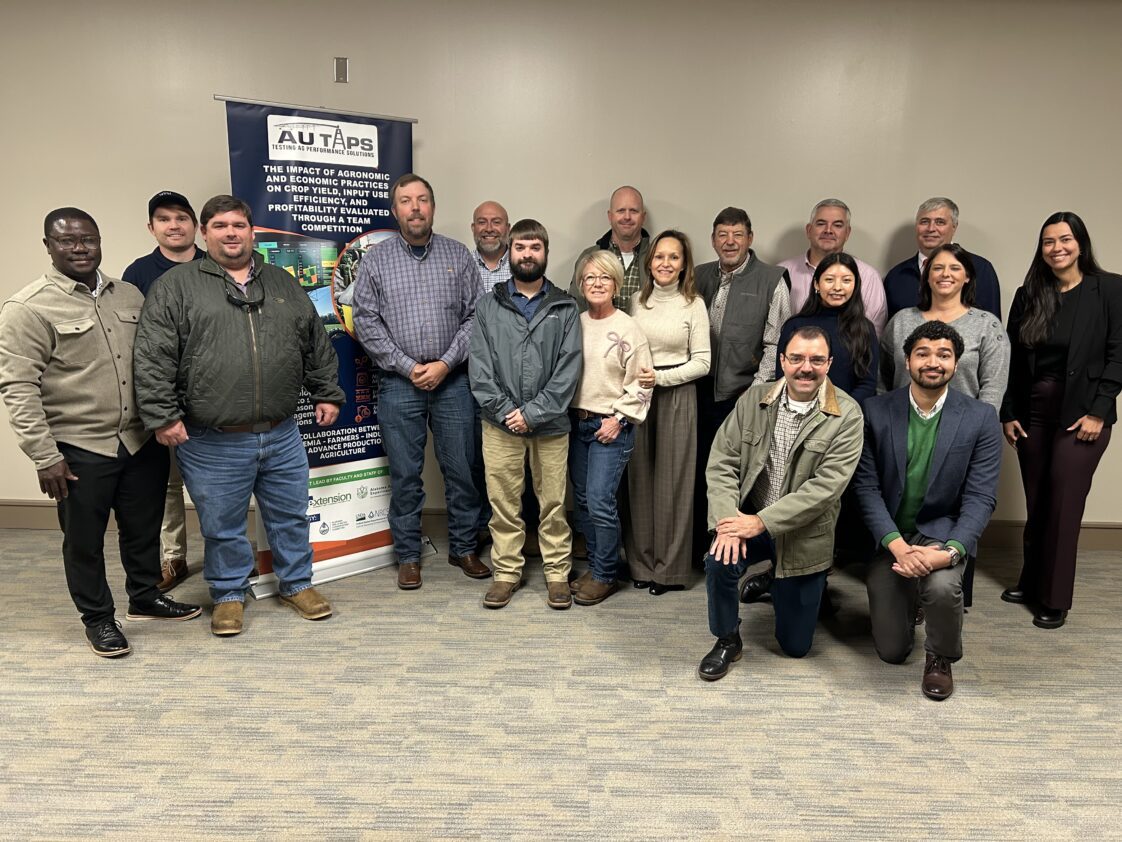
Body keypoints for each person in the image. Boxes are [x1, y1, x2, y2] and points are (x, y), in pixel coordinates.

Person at [133, 195, 343, 637]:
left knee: (290, 516)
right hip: (212, 438)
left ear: (252, 232)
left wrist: (327, 392)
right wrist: (162, 415)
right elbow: (153, 356)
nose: (231, 233)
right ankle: (228, 593)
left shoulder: (283, 282)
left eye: (238, 225)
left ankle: (297, 583)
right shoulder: (177, 286)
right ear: (205, 233)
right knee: (222, 524)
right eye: (220, 225)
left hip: (281, 433)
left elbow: (315, 343)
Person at [0, 208, 201, 658]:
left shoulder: (128, 294)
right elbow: (18, 387)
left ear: (99, 242)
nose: (79, 248)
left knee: (142, 528)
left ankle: (144, 597)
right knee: (85, 542)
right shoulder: (28, 307)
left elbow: (155, 358)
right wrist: (44, 456)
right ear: (48, 246)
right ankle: (98, 619)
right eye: (67, 240)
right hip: (79, 447)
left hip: (140, 439)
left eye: (88, 239)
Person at [698, 327, 863, 681]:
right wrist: (727, 522)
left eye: (816, 360)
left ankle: (784, 579)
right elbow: (722, 461)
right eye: (797, 358)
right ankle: (727, 638)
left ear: (829, 364)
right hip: (750, 520)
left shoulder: (848, 415)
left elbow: (825, 490)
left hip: (803, 536)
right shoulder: (754, 400)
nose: (806, 368)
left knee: (795, 646)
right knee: (719, 559)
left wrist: (760, 523)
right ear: (783, 361)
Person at [351, 174, 488, 590]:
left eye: (422, 199)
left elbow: (476, 316)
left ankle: (464, 547)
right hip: (399, 383)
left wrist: (445, 363)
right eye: (406, 201)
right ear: (395, 210)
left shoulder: (458, 254)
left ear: (433, 207)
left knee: (462, 470)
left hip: (453, 381)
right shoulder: (375, 260)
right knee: (406, 476)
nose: (415, 207)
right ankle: (408, 555)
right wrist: (408, 366)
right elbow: (366, 321)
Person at [853, 321, 1002, 700]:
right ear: (907, 361)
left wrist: (951, 552)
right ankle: (907, 603)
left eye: (943, 355)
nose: (933, 362)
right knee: (892, 652)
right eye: (922, 353)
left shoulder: (981, 417)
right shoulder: (874, 411)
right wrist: (897, 547)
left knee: (943, 586)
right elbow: (866, 488)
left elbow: (981, 498)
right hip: (890, 536)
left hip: (941, 533)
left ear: (956, 363)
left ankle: (940, 657)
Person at [999, 211, 1122, 629]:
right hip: (1033, 411)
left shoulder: (1109, 289)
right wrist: (1009, 412)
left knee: (1064, 503)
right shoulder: (1029, 294)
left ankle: (1054, 597)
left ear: (1080, 244)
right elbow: (1014, 359)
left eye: (1065, 239)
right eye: (1049, 241)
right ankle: (1031, 580)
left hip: (1082, 413)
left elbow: (1118, 354)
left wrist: (1099, 411)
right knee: (1038, 501)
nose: (1057, 248)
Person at [469, 219, 582, 610]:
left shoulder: (565, 307)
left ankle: (557, 574)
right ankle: (505, 573)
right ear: (510, 252)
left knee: (553, 505)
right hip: (499, 425)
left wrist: (532, 413)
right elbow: (480, 369)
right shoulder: (488, 306)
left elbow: (569, 370)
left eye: (535, 247)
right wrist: (506, 412)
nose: (527, 254)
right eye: (520, 247)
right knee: (503, 503)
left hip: (550, 425)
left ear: (545, 253)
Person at [693, 207, 790, 565]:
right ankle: (702, 549)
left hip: (743, 396)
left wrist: (756, 392)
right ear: (713, 240)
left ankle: (735, 552)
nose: (730, 242)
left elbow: (776, 343)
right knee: (700, 472)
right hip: (698, 392)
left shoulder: (771, 279)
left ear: (750, 238)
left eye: (737, 234)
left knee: (738, 475)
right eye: (723, 234)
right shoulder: (698, 275)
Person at [122, 190, 207, 592]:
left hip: (212, 396)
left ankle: (228, 555)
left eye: (181, 217)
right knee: (169, 484)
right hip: (162, 397)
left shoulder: (215, 264)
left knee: (220, 482)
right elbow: (132, 341)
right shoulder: (138, 273)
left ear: (195, 225)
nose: (174, 225)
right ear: (151, 227)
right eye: (164, 219)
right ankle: (174, 557)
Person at [627, 230, 711, 594]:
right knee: (639, 481)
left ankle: (669, 570)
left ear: (683, 265)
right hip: (639, 397)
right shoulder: (636, 302)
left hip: (677, 397)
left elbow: (703, 363)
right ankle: (642, 565)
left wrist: (660, 378)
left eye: (673, 257)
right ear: (649, 262)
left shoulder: (693, 304)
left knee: (672, 484)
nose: (665, 263)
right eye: (659, 256)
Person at [568, 251, 652, 605]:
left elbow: (643, 384)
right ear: (580, 284)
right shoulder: (573, 324)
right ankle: (596, 566)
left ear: (616, 285)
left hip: (611, 425)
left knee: (600, 501)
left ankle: (606, 574)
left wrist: (619, 420)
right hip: (577, 422)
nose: (597, 284)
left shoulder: (629, 328)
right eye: (590, 277)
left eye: (605, 277)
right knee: (583, 501)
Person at [881, 244, 1009, 412]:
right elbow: (881, 380)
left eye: (955, 268)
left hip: (966, 422)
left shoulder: (987, 325)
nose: (945, 274)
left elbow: (993, 388)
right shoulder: (901, 321)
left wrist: (979, 424)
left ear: (967, 276)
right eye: (938, 268)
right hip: (901, 419)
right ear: (927, 276)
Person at [468, 200, 512, 550]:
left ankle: (521, 528)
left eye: (496, 222)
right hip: (469, 376)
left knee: (516, 458)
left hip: (514, 378)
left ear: (507, 228)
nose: (489, 228)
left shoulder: (525, 264)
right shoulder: (460, 265)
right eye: (482, 222)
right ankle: (485, 525)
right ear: (473, 229)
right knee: (476, 457)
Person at [776, 252, 878, 406]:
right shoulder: (795, 325)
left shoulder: (864, 328)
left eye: (846, 280)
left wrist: (839, 411)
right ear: (817, 284)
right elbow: (782, 377)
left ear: (855, 285)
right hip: (798, 409)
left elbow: (867, 384)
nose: (837, 287)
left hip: (847, 413)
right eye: (829, 280)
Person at [779, 198, 888, 334]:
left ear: (847, 233)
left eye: (837, 225)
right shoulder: (782, 273)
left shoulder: (868, 277)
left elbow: (873, 335)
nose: (828, 230)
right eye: (821, 223)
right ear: (809, 230)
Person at [883, 197, 1001, 321]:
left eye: (940, 222)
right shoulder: (896, 276)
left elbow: (991, 326)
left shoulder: (979, 269)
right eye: (924, 222)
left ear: (954, 227)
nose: (931, 229)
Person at [569, 185, 650, 309]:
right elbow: (575, 306)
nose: (627, 217)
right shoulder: (589, 257)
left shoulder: (657, 259)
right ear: (610, 216)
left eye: (634, 211)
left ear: (643, 217)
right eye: (621, 211)